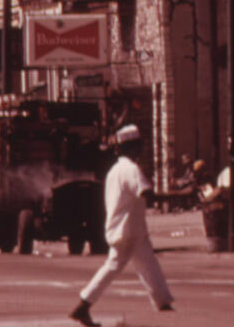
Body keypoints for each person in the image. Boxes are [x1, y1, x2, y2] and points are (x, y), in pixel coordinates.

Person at [70, 125, 173, 327]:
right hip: (128, 231)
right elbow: (145, 193)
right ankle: (83, 305)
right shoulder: (131, 170)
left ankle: (163, 301)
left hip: (131, 229)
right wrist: (175, 196)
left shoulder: (114, 171)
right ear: (133, 148)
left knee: (149, 264)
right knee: (113, 267)